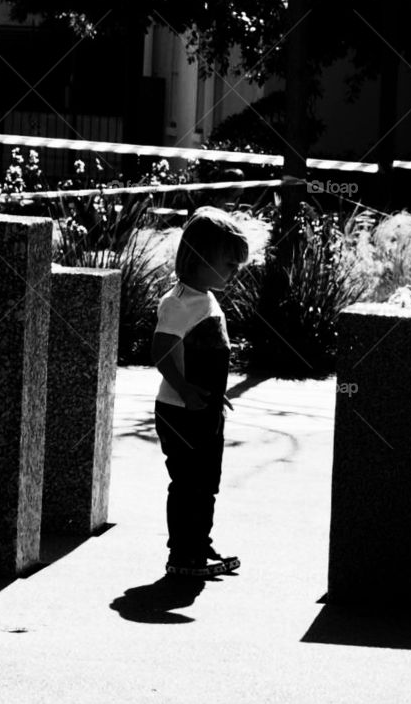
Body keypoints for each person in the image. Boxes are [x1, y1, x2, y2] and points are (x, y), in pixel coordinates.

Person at [151, 206, 250, 577]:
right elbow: (161, 353)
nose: (234, 273)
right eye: (229, 265)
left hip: (203, 408)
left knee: (206, 483)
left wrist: (211, 391)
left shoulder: (204, 297)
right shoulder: (180, 303)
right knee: (189, 483)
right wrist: (186, 390)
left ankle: (198, 544)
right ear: (201, 259)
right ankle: (182, 554)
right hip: (182, 411)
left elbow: (202, 354)